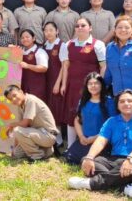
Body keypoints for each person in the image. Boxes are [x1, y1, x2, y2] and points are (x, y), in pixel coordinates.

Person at [67, 89, 132, 199]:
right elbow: (100, 140)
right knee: (87, 160)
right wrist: (90, 157)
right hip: (115, 160)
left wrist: (131, 159)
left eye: (130, 101)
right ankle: (124, 187)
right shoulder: (111, 121)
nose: (126, 104)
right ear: (118, 106)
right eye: (122, 101)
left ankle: (91, 183)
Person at [59, 17, 107, 147]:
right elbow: (65, 67)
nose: (80, 28)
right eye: (77, 25)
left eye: (83, 25)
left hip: (90, 87)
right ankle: (70, 147)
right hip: (72, 86)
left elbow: (103, 66)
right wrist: (63, 84)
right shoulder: (68, 44)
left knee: (88, 114)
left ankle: (91, 145)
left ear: (90, 28)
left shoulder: (98, 44)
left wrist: (99, 85)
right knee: (72, 115)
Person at [64, 73, 117, 165]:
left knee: (89, 160)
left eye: (96, 83)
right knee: (70, 157)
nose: (93, 86)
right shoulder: (83, 101)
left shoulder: (109, 102)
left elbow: (113, 125)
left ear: (102, 85)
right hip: (85, 139)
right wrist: (81, 137)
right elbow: (77, 120)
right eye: (90, 83)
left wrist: (95, 138)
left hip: (101, 140)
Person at [4, 85, 59, 161]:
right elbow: (21, 128)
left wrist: (11, 125)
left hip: (48, 135)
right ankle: (46, 151)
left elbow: (24, 124)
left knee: (17, 130)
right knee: (17, 154)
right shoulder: (20, 105)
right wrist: (14, 147)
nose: (13, 99)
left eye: (14, 95)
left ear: (21, 92)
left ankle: (37, 155)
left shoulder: (31, 100)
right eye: (10, 99)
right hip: (37, 135)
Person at [42, 22, 65, 141]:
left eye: (51, 30)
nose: (48, 33)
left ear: (57, 31)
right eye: (46, 30)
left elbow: (64, 66)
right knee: (49, 108)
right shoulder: (44, 46)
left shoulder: (62, 45)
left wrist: (58, 83)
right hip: (46, 81)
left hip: (57, 81)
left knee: (57, 109)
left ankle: (59, 140)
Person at [19, 29, 49, 101]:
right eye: (22, 38)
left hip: (36, 86)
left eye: (27, 37)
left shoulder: (40, 52)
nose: (25, 39)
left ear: (33, 38)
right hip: (24, 85)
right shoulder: (21, 52)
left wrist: (27, 66)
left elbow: (44, 68)